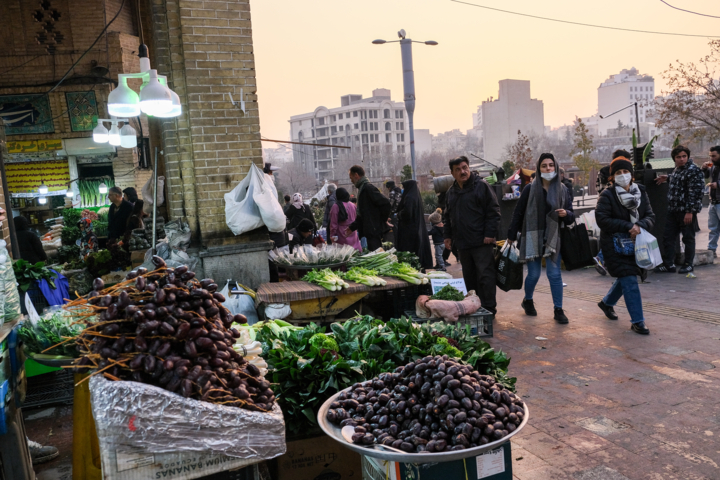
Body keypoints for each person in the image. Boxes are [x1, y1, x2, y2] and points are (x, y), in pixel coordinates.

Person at [507, 153, 575, 324]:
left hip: (554, 237)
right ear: (538, 168)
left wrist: (566, 213)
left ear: (556, 167)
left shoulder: (563, 189)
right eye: (544, 166)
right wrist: (511, 235)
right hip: (532, 236)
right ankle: (527, 300)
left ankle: (558, 309)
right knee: (534, 274)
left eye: (551, 165)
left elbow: (571, 215)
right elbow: (518, 212)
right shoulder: (530, 189)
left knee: (554, 274)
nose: (548, 169)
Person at [596, 156, 655, 335]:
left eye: (626, 172)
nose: (623, 175)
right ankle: (638, 321)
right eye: (618, 173)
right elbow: (602, 219)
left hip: (637, 244)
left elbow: (651, 216)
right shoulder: (607, 195)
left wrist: (639, 226)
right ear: (612, 177)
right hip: (615, 245)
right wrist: (629, 226)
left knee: (627, 277)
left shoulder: (641, 193)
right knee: (629, 279)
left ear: (632, 174)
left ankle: (606, 303)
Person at [443, 156, 501, 314]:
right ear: (452, 173)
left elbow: (494, 211)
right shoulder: (451, 192)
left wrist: (490, 233)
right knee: (469, 278)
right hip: (462, 244)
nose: (463, 171)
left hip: (482, 242)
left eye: (464, 167)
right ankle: (474, 307)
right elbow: (447, 217)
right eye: (458, 169)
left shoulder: (481, 186)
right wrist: (447, 236)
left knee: (485, 276)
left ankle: (489, 309)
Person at [654, 145, 705, 273]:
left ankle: (688, 264)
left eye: (684, 156)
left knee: (688, 238)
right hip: (673, 210)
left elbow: (696, 192)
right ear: (674, 159)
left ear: (688, 157)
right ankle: (668, 264)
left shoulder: (694, 170)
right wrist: (668, 177)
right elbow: (681, 180)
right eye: (678, 157)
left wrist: (690, 211)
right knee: (668, 237)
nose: (682, 159)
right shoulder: (678, 170)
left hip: (685, 211)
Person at [346, 165, 391, 251]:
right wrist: (352, 227)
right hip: (369, 230)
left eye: (351, 177)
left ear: (356, 175)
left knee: (376, 254)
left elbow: (386, 203)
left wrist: (382, 220)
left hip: (373, 230)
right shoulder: (362, 189)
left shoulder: (368, 188)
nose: (351, 180)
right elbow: (362, 214)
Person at [396, 179, 433, 270]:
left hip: (409, 230)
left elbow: (407, 213)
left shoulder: (409, 197)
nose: (403, 189)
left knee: (410, 252)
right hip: (416, 228)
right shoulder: (416, 196)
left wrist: (399, 214)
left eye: (404, 187)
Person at [702, 146, 720, 257]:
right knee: (713, 228)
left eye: (714, 156)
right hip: (713, 201)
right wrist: (703, 167)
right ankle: (711, 250)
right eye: (710, 156)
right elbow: (704, 174)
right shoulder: (712, 164)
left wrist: (718, 184)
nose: (712, 158)